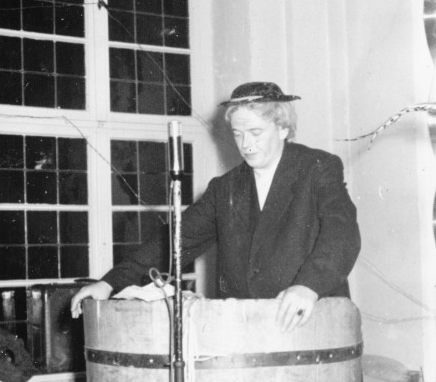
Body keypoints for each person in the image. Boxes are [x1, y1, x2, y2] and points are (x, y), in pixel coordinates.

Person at [71, 81, 361, 332]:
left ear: (283, 128)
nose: (246, 144)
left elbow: (342, 233)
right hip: (246, 331)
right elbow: (174, 242)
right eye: (237, 134)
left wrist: (308, 286)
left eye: (255, 132)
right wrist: (109, 283)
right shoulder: (225, 188)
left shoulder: (317, 168)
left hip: (312, 324)